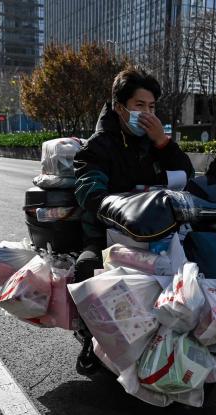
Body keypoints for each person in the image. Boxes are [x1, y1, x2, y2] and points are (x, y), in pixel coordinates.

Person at [73, 67, 194, 282]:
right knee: (87, 268)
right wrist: (131, 210)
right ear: (120, 108)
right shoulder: (97, 147)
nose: (147, 113)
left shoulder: (155, 144)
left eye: (152, 106)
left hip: (159, 233)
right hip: (107, 237)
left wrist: (163, 143)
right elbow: (90, 193)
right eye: (140, 105)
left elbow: (187, 176)